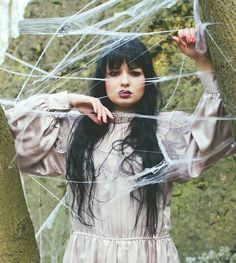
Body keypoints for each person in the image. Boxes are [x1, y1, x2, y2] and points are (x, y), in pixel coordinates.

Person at [7, 28, 235, 263]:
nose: (125, 81)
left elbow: (216, 132)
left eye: (135, 73)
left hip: (149, 257)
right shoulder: (75, 130)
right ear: (102, 80)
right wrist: (68, 100)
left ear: (147, 80)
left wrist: (203, 61)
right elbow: (10, 131)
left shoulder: (166, 130)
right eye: (114, 73)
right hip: (88, 256)